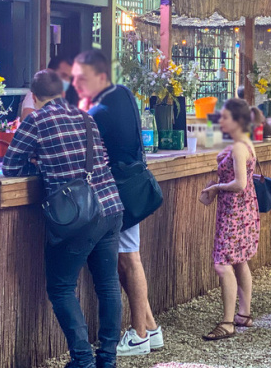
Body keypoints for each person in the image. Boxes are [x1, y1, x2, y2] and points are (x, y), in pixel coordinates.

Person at [2, 69, 123, 368]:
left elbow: (10, 166)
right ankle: (107, 358)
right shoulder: (86, 118)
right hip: (110, 206)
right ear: (62, 91)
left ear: (34, 95)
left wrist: (40, 165)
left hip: (77, 216)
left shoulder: (36, 120)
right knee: (108, 285)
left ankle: (82, 358)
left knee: (61, 287)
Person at [72, 49, 164, 356]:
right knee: (129, 259)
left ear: (99, 76)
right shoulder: (123, 94)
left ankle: (138, 334)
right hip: (131, 186)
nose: (76, 84)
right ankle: (150, 327)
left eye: (81, 78)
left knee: (129, 260)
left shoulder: (99, 110)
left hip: (118, 192)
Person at [198, 98, 260, 340]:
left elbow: (240, 183)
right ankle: (243, 314)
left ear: (237, 121)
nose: (220, 120)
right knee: (240, 261)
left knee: (222, 264)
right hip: (244, 210)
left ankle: (227, 322)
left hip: (234, 212)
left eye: (224, 117)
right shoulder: (245, 143)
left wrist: (216, 188)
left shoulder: (237, 147)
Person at [21, 56, 79, 120]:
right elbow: (27, 120)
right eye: (63, 75)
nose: (66, 80)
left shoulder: (69, 95)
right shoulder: (37, 91)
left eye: (69, 77)